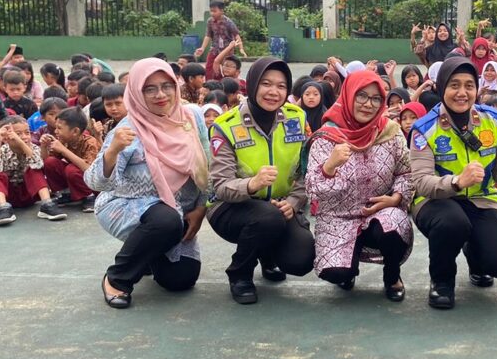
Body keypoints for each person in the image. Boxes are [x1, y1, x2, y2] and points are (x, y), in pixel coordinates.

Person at [87, 58, 210, 309]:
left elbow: (206, 167)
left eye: (166, 86)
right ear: (136, 92)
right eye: (149, 88)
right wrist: (112, 152)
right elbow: (95, 182)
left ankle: (146, 253)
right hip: (126, 205)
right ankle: (117, 279)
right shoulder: (127, 130)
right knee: (165, 221)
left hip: (178, 211)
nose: (160, 95)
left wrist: (200, 209)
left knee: (180, 279)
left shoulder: (192, 118)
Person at [410, 57, 497, 309]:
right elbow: (420, 182)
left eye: (469, 86)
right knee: (452, 223)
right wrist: (457, 182)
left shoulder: (495, 121)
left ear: (477, 89)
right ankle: (441, 282)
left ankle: (477, 256)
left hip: (482, 201)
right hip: (436, 202)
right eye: (454, 85)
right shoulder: (424, 128)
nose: (462, 93)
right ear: (441, 88)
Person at [208, 58, 316, 305]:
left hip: (279, 207)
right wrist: (252, 184)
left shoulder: (296, 118)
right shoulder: (226, 126)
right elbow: (221, 186)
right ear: (253, 84)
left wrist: (293, 202)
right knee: (267, 217)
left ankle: (267, 255)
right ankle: (240, 274)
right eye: (266, 84)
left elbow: (304, 171)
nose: (273, 92)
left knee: (301, 260)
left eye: (281, 86)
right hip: (230, 207)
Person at [305, 70, 414, 301]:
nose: (368, 104)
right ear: (348, 95)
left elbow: (405, 172)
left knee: (393, 226)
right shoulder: (326, 137)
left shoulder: (390, 132)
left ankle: (392, 276)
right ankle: (347, 269)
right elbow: (312, 189)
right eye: (361, 96)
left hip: (380, 213)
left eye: (376, 98)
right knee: (335, 273)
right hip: (338, 217)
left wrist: (396, 198)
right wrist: (329, 167)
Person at [0, 117, 65, 226]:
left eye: (27, 133)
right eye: (18, 134)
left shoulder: (34, 148)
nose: (24, 137)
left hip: (30, 194)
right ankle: (3, 208)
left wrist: (20, 142)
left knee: (34, 169)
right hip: (9, 195)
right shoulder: (2, 150)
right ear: (6, 138)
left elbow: (38, 164)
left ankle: (47, 205)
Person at [41, 107, 100, 211]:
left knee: (71, 169)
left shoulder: (90, 142)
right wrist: (44, 146)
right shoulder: (64, 141)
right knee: (50, 162)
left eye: (59, 128)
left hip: (94, 183)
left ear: (75, 131)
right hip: (76, 179)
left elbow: (88, 168)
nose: (56, 131)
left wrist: (63, 150)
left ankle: (89, 197)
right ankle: (65, 194)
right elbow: (46, 162)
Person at [194, 0, 243, 81]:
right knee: (209, 67)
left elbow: (236, 35)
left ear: (221, 11)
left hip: (227, 50)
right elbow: (208, 35)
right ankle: (210, 84)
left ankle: (227, 84)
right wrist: (202, 48)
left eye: (214, 11)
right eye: (211, 11)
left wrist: (241, 48)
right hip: (215, 48)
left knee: (227, 69)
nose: (212, 13)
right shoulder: (210, 21)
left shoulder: (228, 22)